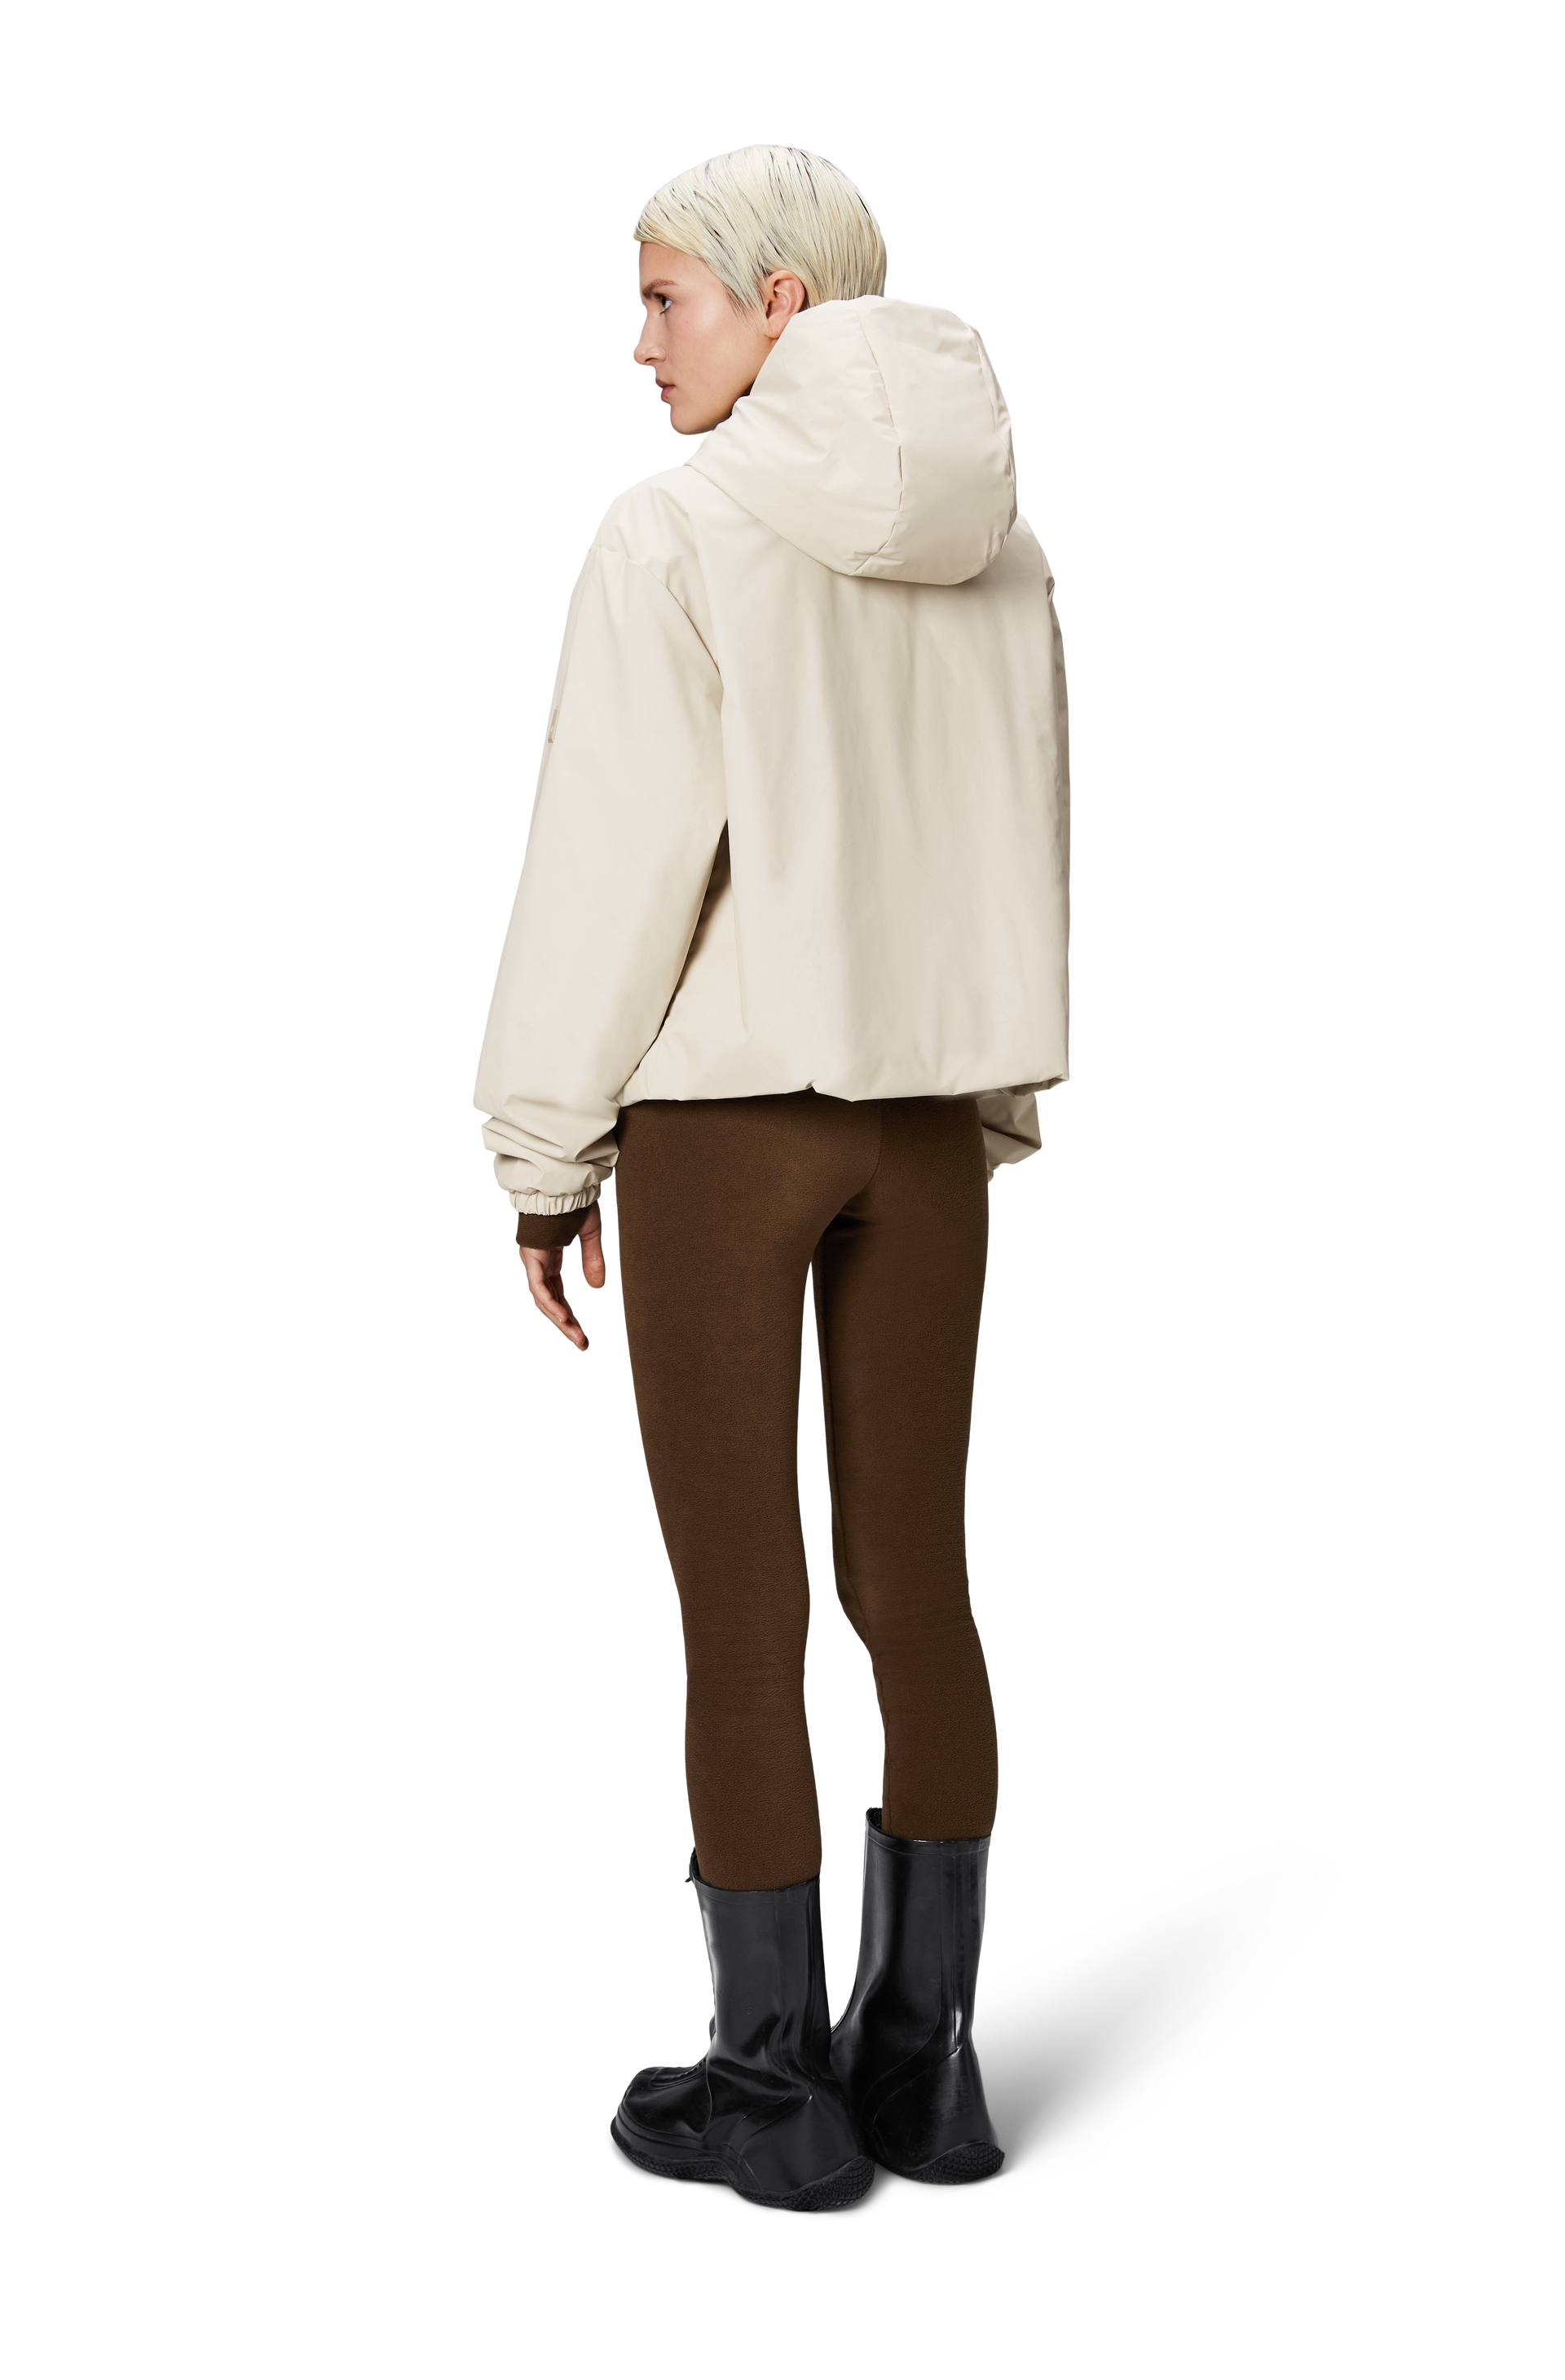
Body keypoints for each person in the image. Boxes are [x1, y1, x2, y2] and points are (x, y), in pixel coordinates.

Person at [472, 143, 1073, 2212]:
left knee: (738, 1611)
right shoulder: (1006, 540)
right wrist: (990, 1097)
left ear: (784, 303)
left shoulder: (672, 529)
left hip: (730, 1126)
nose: (641, 342)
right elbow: (1025, 833)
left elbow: (609, 870)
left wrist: (542, 1158)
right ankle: (932, 2068)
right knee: (918, 1579)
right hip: (929, 1122)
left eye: (669, 299)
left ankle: (768, 2091)